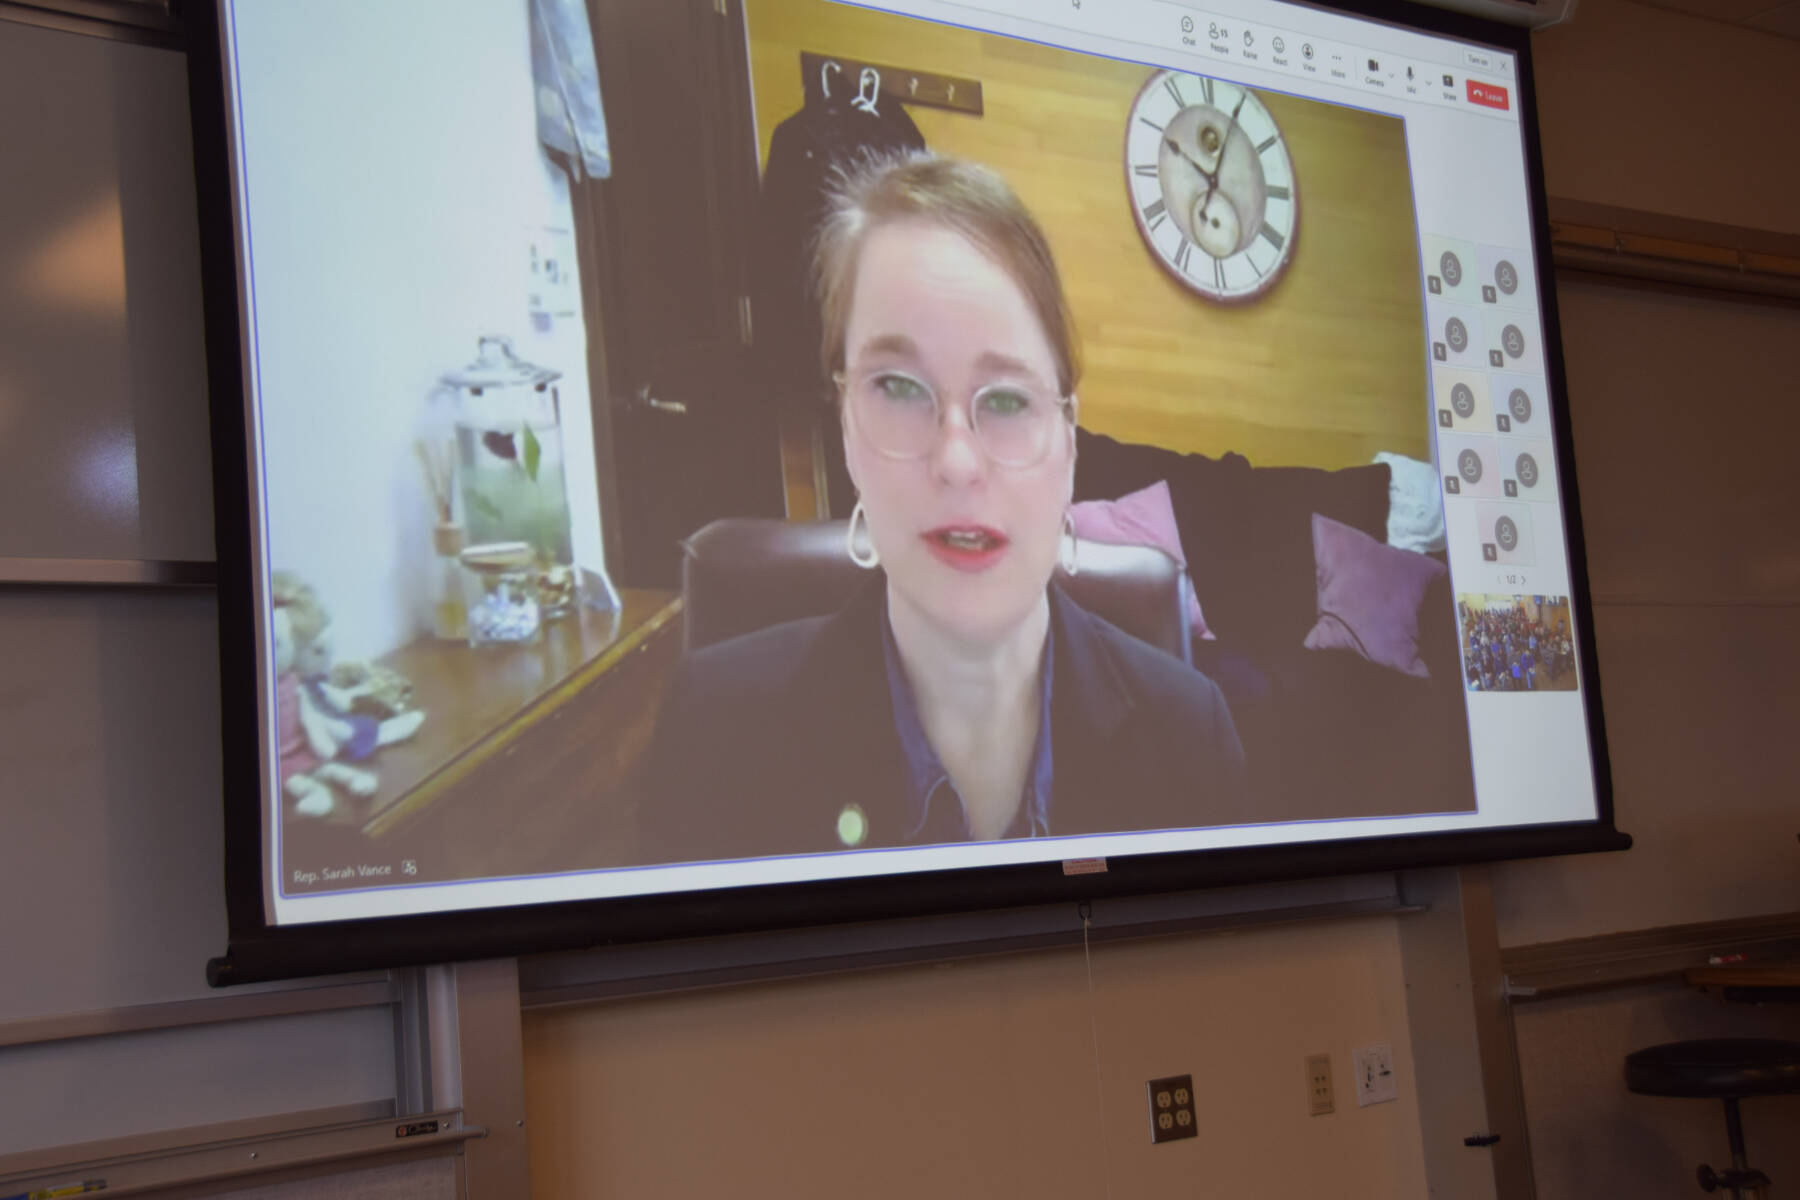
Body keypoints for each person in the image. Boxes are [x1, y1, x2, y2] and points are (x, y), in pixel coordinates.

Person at [637, 152, 1247, 865]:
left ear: (1069, 443)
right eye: (898, 387)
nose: (957, 461)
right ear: (845, 427)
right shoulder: (714, 735)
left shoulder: (1193, 740)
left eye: (1009, 398)